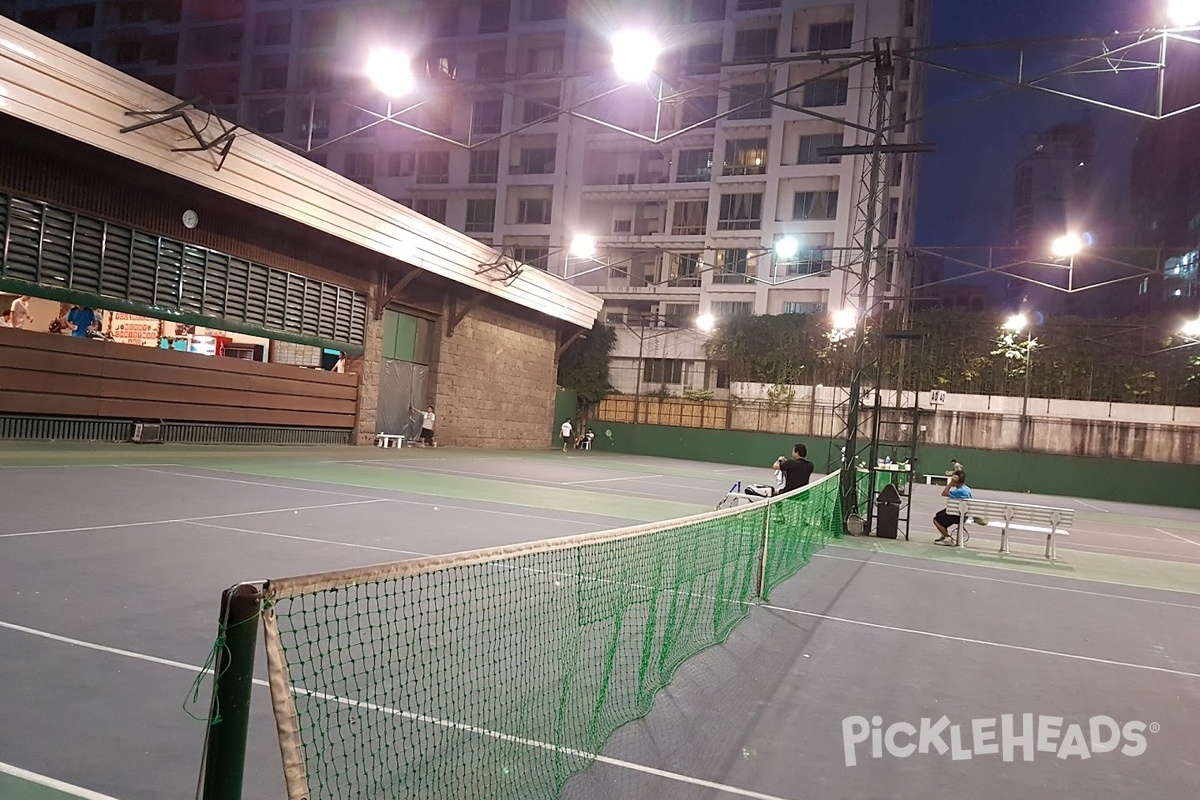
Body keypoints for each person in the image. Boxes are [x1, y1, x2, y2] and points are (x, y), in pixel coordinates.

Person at [934, 470, 972, 545]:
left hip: (958, 515)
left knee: (936, 520)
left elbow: (944, 493)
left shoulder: (959, 491)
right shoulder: (967, 489)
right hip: (963, 513)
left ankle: (947, 538)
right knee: (939, 514)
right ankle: (944, 535)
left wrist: (951, 483)